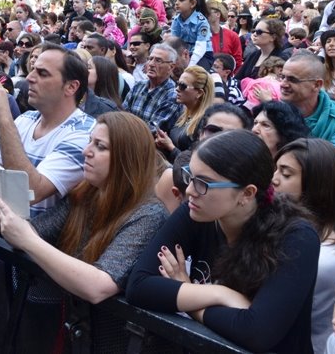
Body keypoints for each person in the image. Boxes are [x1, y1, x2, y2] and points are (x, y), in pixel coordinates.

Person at [0, 112, 168, 347]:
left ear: (127, 158)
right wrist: (2, 214)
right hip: (75, 333)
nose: (86, 151)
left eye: (100, 146)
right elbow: (33, 232)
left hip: (114, 342)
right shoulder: (83, 195)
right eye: (90, 141)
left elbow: (99, 285)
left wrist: (27, 238)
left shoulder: (149, 214)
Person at [126, 130, 321, 353]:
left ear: (247, 194)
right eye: (191, 176)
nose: (190, 190)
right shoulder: (196, 211)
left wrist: (186, 296)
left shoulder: (297, 237)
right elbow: (138, 286)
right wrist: (219, 294)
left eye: (204, 183)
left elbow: (256, 332)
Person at [0, 42, 95, 217]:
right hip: (4, 229)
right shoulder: (26, 119)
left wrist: (3, 116)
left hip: (41, 235)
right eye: (32, 69)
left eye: (42, 73)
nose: (29, 78)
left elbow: (29, 192)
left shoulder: (85, 134)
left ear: (71, 87)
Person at [272, 138, 335, 353]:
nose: (273, 179)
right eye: (275, 169)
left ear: (316, 185)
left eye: (286, 174)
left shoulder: (324, 257)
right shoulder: (288, 226)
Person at [280, 53, 335, 165]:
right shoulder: (274, 112)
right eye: (282, 77)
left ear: (317, 85)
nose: (283, 84)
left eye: (292, 79)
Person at [154, 66, 214, 161]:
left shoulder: (205, 123)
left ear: (199, 93)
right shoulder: (181, 113)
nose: (177, 89)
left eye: (182, 86)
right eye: (177, 84)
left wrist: (170, 147)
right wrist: (162, 142)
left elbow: (194, 162)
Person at [122, 43, 182, 132]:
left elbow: (152, 130)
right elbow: (122, 116)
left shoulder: (172, 96)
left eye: (158, 60)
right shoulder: (138, 86)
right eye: (150, 59)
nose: (151, 64)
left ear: (171, 67)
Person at [171, 0, 214, 70]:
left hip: (203, 54)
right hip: (185, 53)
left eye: (181, 0)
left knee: (195, 73)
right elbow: (174, 42)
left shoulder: (201, 22)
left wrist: (190, 67)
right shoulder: (176, 20)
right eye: (176, 0)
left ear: (193, 4)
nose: (176, 3)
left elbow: (200, 48)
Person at [235, 18, 288, 82]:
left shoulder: (282, 58)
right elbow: (238, 78)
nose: (254, 34)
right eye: (254, 31)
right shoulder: (253, 55)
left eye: (259, 32)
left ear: (273, 37)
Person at [207, 0, 243, 71]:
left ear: (218, 14)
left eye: (207, 12)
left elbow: (238, 62)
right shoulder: (199, 36)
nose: (203, 15)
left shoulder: (232, 36)